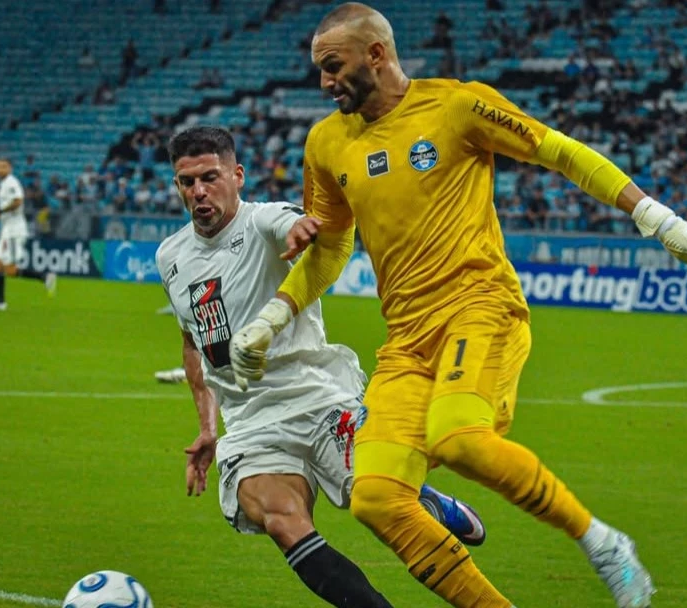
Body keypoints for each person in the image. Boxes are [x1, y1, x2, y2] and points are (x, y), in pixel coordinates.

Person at [229, 4, 687, 608]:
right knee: (375, 496)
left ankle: (602, 542)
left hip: (480, 308)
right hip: (407, 341)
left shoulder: (457, 106)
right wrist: (273, 316)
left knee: (458, 439)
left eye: (333, 67)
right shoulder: (326, 143)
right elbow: (332, 247)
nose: (324, 83)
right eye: (319, 70)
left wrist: (657, 218)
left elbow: (560, 151)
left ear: (377, 55)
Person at [155, 126, 487, 608]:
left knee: (384, 509)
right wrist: (208, 426)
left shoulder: (263, 220)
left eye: (210, 177)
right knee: (280, 520)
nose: (199, 192)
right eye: (186, 182)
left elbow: (293, 223)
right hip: (251, 424)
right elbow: (193, 341)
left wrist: (302, 230)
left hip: (317, 395)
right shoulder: (170, 256)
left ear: (238, 175)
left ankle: (430, 502)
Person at [0, 159, 56, 311]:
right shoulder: (3, 184)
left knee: (10, 270)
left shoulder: (12, 182)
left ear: (10, 168)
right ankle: (0, 303)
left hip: (15, 232)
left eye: (3, 167)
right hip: (6, 231)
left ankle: (45, 276)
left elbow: (18, 201)